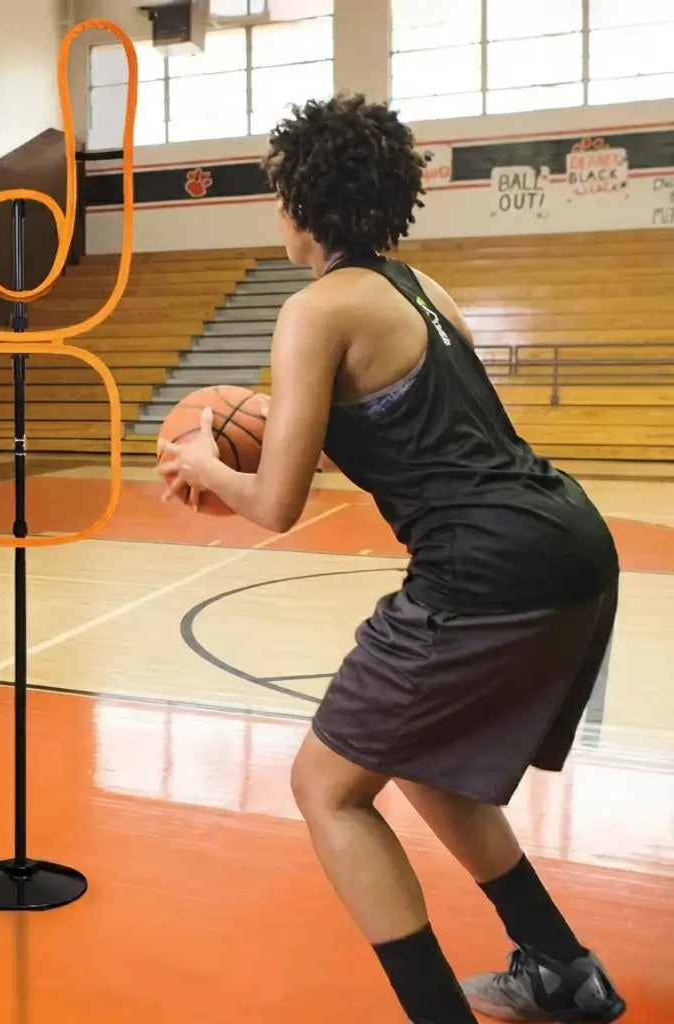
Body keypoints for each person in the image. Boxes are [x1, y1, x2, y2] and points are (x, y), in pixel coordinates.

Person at [155, 93, 626, 1024]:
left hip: (484, 568)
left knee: (325, 789)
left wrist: (211, 462)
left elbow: (278, 504)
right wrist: (279, 426)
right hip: (570, 539)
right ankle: (563, 970)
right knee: (417, 760)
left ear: (302, 201)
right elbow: (422, 434)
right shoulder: (420, 290)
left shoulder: (315, 308)